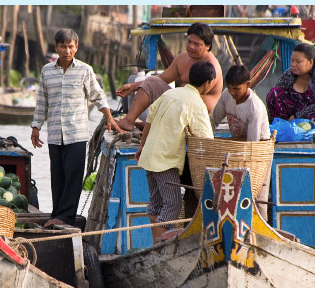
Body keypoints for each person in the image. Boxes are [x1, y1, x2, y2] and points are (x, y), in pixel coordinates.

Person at [31, 29, 121, 228]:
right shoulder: (47, 71)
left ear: (76, 48)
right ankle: (57, 213)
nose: (67, 51)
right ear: (56, 47)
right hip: (55, 134)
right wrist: (36, 127)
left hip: (77, 133)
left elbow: (99, 96)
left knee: (73, 176)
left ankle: (66, 216)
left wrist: (109, 118)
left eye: (70, 46)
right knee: (57, 176)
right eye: (63, 46)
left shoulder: (85, 70)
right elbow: (42, 102)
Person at [137, 61, 217, 237]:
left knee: (156, 204)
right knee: (173, 205)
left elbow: (149, 119)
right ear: (208, 84)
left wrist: (142, 146)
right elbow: (206, 139)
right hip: (165, 160)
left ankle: (156, 245)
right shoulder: (196, 102)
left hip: (150, 155)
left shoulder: (171, 93)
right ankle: (160, 247)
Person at [116, 22, 223, 113]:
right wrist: (133, 86)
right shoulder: (182, 58)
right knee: (151, 82)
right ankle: (129, 121)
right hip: (179, 104)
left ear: (207, 46)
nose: (191, 47)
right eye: (189, 41)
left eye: (196, 44)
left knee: (172, 96)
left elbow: (192, 96)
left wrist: (181, 88)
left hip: (201, 113)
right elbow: (161, 79)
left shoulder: (212, 68)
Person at [266, 42, 315, 135]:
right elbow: (276, 96)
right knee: (274, 94)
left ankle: (302, 132)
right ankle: (278, 129)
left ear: (310, 62)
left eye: (298, 62)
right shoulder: (289, 74)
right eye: (292, 61)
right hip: (294, 117)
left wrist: (296, 116)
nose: (293, 64)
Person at [212, 65, 272, 142]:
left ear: (247, 84)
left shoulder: (255, 108)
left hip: (258, 146)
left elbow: (252, 143)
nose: (232, 92)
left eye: (236, 89)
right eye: (229, 88)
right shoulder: (226, 94)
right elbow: (213, 121)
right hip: (238, 143)